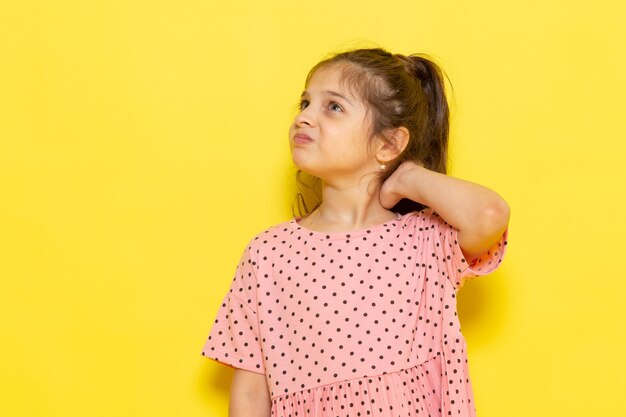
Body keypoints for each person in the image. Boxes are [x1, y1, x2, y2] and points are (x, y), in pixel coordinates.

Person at [201, 47, 510, 417]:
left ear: (389, 144)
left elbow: (490, 215)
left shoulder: (424, 240)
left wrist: (411, 177)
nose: (305, 118)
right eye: (304, 103)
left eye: (333, 107)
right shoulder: (268, 253)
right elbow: (250, 394)